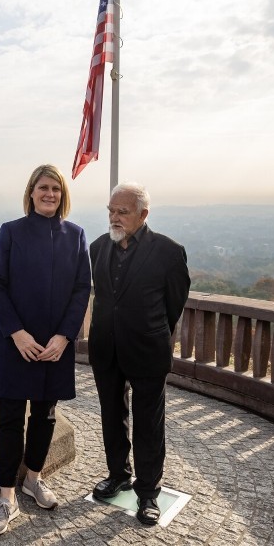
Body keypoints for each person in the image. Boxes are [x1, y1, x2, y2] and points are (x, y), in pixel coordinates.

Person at [0, 164, 91, 535]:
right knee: (10, 419)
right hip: (16, 344)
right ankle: (7, 497)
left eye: (56, 189)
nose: (49, 194)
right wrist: (17, 333)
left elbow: (81, 291)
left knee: (44, 417)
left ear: (63, 195)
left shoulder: (75, 236)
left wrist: (64, 337)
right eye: (43, 188)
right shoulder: (11, 232)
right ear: (30, 192)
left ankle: (34, 478)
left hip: (54, 347)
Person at [88, 182, 190, 526]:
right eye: (111, 211)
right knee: (111, 416)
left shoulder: (169, 252)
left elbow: (173, 306)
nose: (114, 217)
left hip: (147, 351)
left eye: (123, 212)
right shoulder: (98, 247)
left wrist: (151, 333)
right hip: (106, 349)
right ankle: (118, 474)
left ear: (143, 214)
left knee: (149, 424)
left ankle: (148, 493)